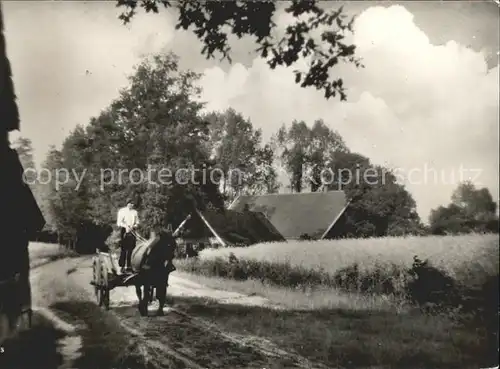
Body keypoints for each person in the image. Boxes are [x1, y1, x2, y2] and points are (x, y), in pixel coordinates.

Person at [116, 198, 139, 273]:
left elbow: (137, 222)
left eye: (132, 204)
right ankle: (122, 266)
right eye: (130, 203)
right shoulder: (122, 211)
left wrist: (134, 226)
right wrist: (126, 226)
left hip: (132, 231)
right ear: (127, 203)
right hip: (124, 231)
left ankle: (129, 266)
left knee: (131, 250)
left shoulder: (135, 212)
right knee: (124, 249)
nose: (131, 205)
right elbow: (119, 223)